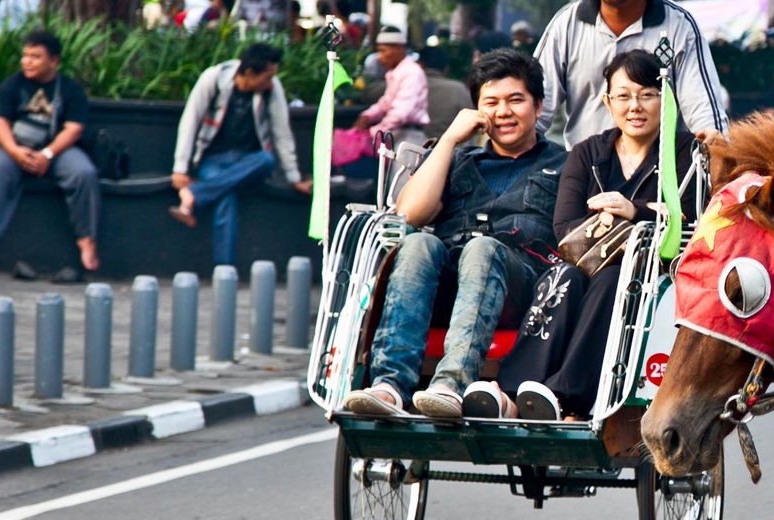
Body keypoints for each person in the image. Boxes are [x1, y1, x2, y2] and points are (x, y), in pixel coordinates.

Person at [339, 49, 568, 419]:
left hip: (521, 290)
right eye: (491, 102)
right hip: (449, 284)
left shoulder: (565, 164)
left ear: (538, 107)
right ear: (477, 110)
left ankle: (450, 385)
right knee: (418, 242)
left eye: (515, 100)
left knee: (483, 249)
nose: (503, 111)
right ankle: (389, 385)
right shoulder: (457, 159)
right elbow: (411, 214)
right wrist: (448, 141)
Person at [487, 50, 695, 419]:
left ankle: (565, 397)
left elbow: (690, 217)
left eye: (647, 95)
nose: (635, 106)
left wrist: (633, 211)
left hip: (649, 273)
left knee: (614, 278)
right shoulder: (587, 152)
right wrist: (636, 216)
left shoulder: (685, 153)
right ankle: (515, 392)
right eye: (624, 95)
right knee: (562, 276)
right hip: (583, 263)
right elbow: (564, 226)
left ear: (665, 100)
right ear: (607, 101)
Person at [0, 30, 101, 283]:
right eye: (25, 56)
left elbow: (74, 128)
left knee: (84, 173)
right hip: (18, 148)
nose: (27, 62)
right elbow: (0, 123)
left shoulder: (70, 89)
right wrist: (15, 151)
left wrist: (48, 154)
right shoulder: (12, 85)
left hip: (58, 151)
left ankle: (86, 242)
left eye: (35, 57)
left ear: (54, 61)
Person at [168, 43, 312, 266]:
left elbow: (282, 133)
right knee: (226, 197)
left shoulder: (272, 89)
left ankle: (194, 193)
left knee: (266, 160)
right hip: (213, 159)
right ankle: (225, 271)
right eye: (267, 76)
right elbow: (190, 120)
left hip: (249, 160)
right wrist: (180, 167)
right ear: (250, 73)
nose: (271, 82)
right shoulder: (214, 78)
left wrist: (294, 177)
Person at [532, 0, 728, 147]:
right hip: (584, 174)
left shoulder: (679, 25)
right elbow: (532, 112)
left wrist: (715, 144)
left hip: (658, 178)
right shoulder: (566, 24)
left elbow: (708, 124)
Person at [353, 26, 430, 147]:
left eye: (383, 51)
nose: (379, 56)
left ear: (399, 49)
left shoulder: (412, 72)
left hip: (408, 137)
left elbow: (400, 113)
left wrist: (373, 132)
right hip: (394, 134)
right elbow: (386, 102)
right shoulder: (396, 72)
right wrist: (367, 116)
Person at [418, 46, 475, 141]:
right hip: (453, 148)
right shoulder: (458, 89)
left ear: (419, 65)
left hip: (410, 147)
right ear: (446, 69)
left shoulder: (407, 87)